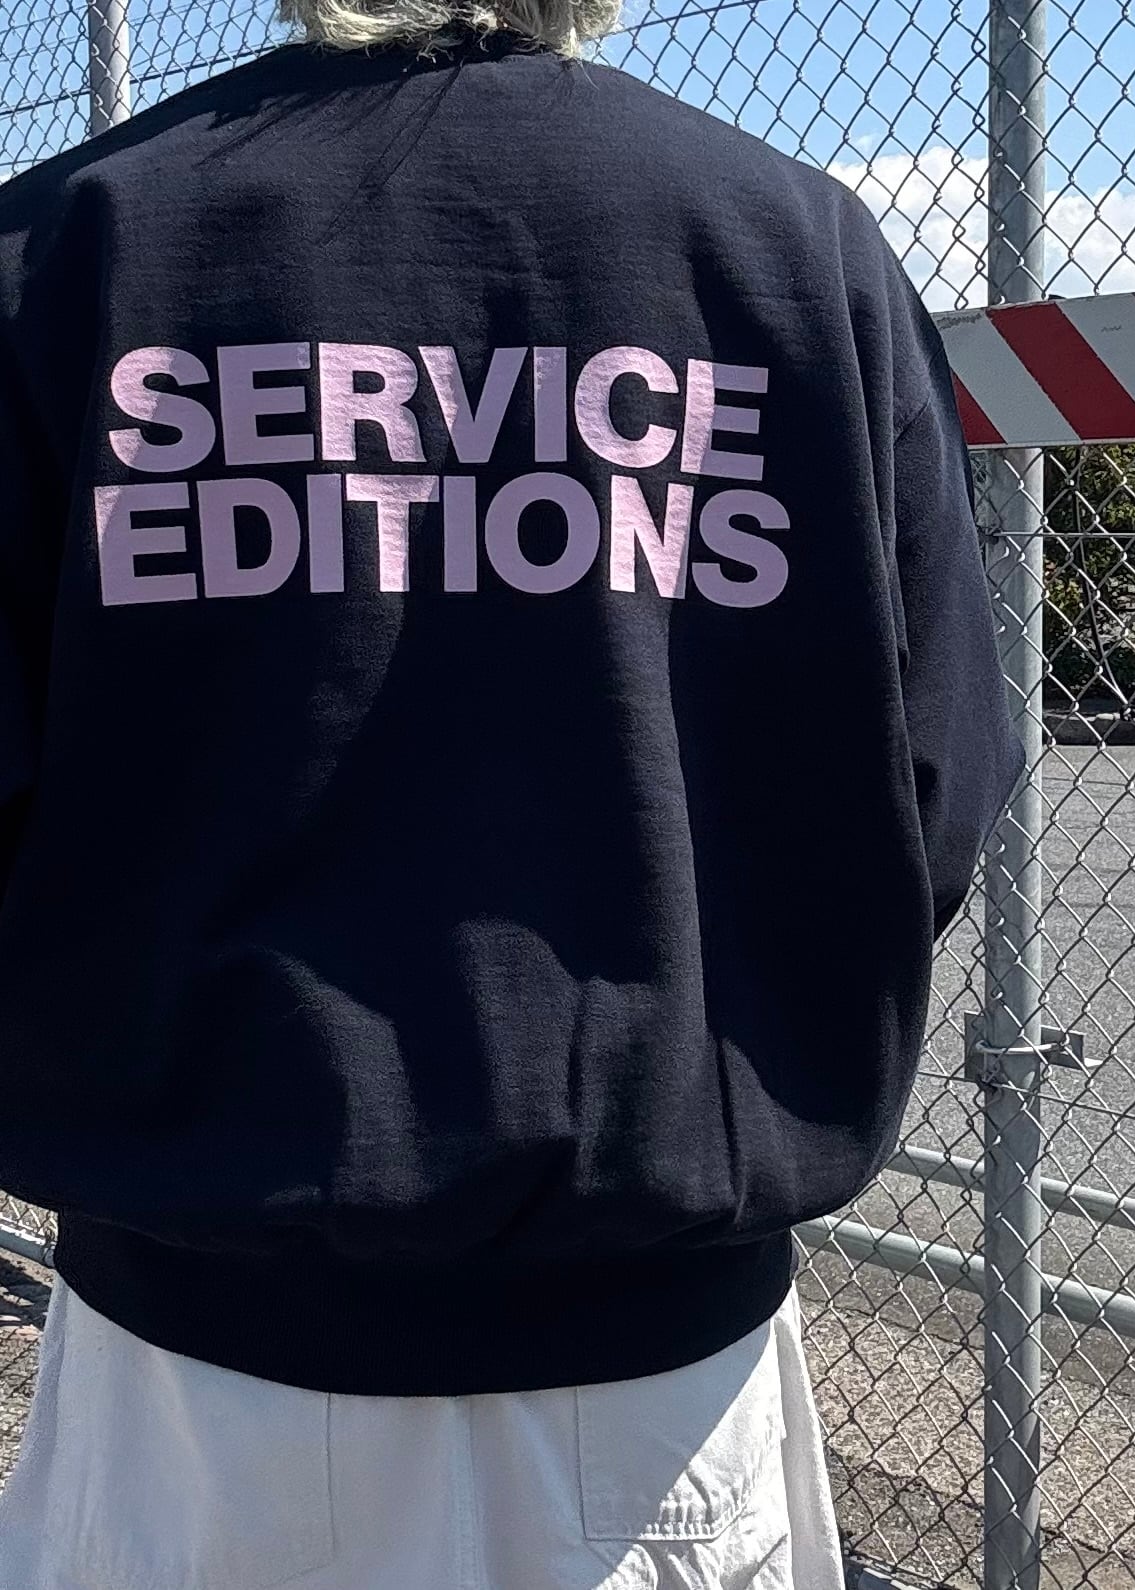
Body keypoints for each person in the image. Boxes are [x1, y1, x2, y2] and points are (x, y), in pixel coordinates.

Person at [0, 0, 1023, 1581]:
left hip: (190, 1394)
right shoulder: (789, 249)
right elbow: (930, 784)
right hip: (660, 1393)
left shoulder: (75, 247)